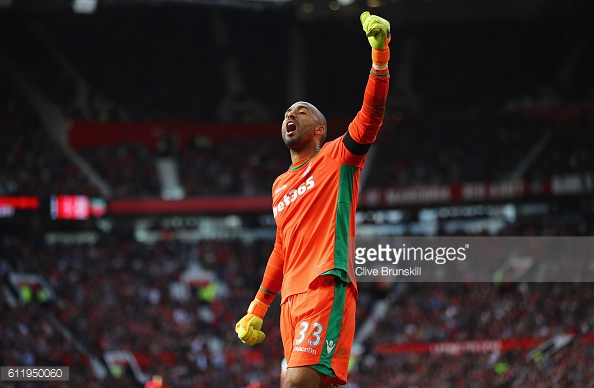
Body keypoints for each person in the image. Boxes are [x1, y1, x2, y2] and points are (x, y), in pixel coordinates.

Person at [235, 11, 391, 388]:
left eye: (301, 112)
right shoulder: (278, 186)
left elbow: (371, 116)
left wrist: (380, 57)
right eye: (288, 113)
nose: (291, 115)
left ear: (319, 129)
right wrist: (258, 307)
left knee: (296, 385)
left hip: (325, 284)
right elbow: (281, 249)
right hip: (290, 300)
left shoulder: (338, 157)